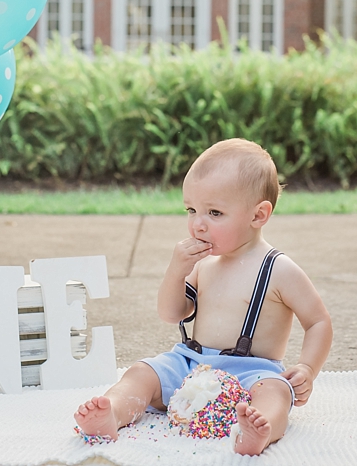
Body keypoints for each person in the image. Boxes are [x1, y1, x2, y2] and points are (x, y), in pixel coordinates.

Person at [73, 139, 333, 454]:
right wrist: (176, 270)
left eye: (214, 212)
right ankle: (113, 411)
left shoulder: (279, 269)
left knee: (276, 393)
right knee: (142, 373)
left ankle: (258, 429)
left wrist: (307, 368)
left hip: (253, 371)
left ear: (258, 215)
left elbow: (318, 321)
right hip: (191, 362)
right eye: (192, 210)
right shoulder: (203, 264)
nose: (198, 223)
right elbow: (172, 313)